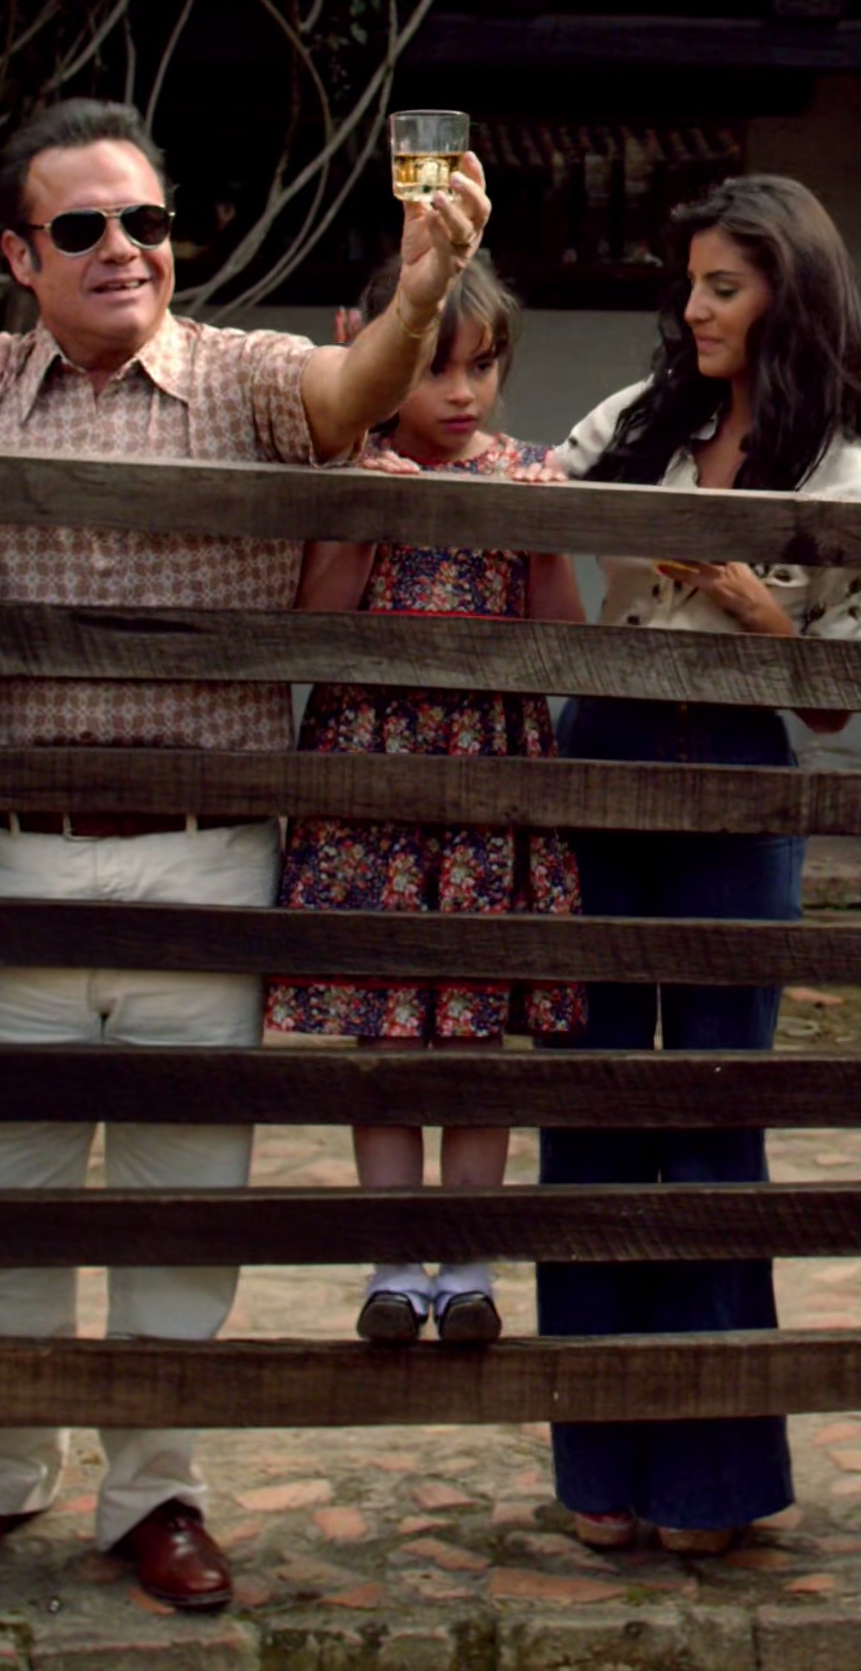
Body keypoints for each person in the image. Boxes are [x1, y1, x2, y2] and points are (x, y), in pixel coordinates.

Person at [0, 97, 491, 1612]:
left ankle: (155, 1493)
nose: (124, 248)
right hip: (13, 865)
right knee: (2, 1200)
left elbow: (357, 391)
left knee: (187, 1203)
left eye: (146, 221)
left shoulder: (247, 377)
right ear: (20, 255)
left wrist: (426, 285)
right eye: (82, 228)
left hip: (207, 861)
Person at [540, 174, 861, 1558]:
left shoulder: (849, 478)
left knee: (711, 1112)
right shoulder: (643, 421)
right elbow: (533, 505)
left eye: (723, 288)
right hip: (604, 747)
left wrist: (758, 606)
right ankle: (597, 1465)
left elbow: (838, 704)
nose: (693, 309)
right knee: (589, 1107)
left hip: (740, 773)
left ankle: (710, 1479)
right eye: (689, 284)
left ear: (786, 299)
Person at [264, 252, 585, 1349]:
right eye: (435, 368)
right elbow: (317, 624)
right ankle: (398, 1264)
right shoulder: (356, 470)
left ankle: (472, 1261)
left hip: (492, 780)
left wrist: (541, 542)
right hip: (377, 779)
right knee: (388, 1029)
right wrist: (367, 516)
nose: (460, 394)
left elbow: (562, 645)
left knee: (478, 1032)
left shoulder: (526, 475)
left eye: (481, 368)